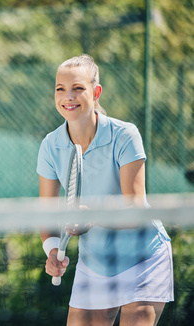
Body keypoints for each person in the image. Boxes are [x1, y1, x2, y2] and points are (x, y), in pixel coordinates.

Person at [37, 55, 173, 326]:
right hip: (94, 265)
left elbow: (135, 212)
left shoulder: (125, 135)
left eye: (78, 88)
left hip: (143, 257)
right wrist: (52, 251)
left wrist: (92, 216)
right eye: (60, 89)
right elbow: (47, 215)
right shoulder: (50, 146)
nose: (68, 96)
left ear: (95, 92)